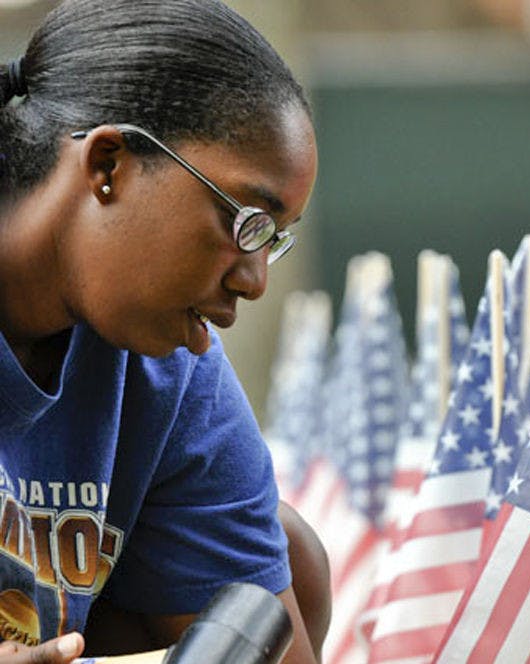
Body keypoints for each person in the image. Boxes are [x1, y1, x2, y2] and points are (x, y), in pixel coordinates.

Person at [0, 0, 320, 662]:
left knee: (283, 571)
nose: (254, 280)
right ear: (108, 165)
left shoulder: (166, 369)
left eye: (275, 242)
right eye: (246, 223)